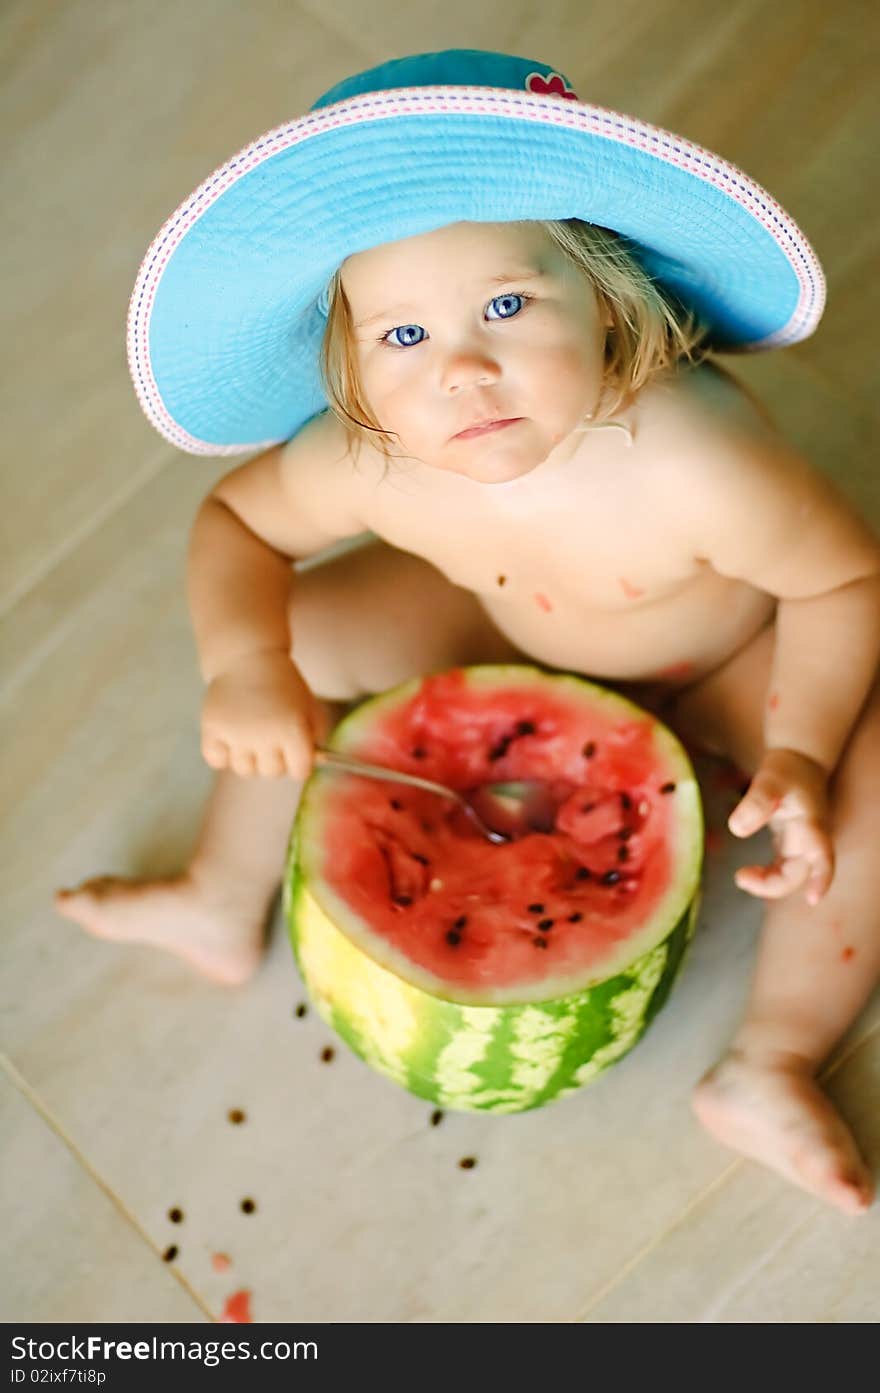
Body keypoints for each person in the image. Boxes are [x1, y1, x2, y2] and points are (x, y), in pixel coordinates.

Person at [55, 51, 880, 1214]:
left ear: (608, 296)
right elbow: (239, 522)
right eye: (401, 339)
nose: (463, 370)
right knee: (298, 632)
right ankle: (219, 893)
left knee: (869, 781)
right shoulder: (374, 464)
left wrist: (800, 748)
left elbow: (843, 582)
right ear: (348, 369)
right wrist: (245, 665)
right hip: (500, 628)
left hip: (723, 659)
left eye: (505, 305)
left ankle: (771, 1056)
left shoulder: (698, 462)